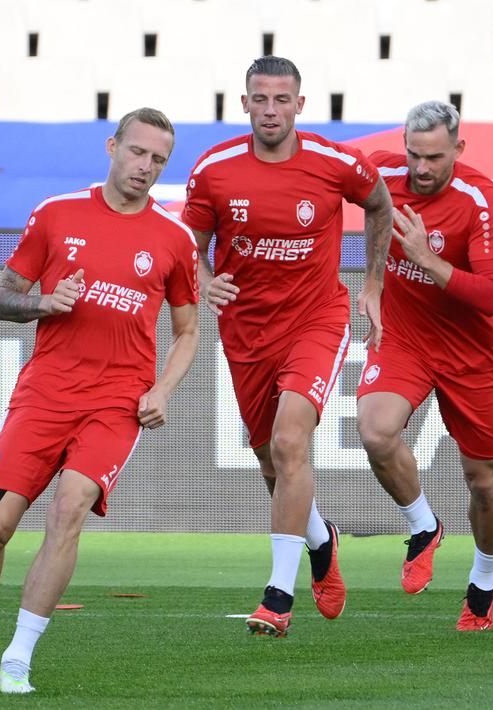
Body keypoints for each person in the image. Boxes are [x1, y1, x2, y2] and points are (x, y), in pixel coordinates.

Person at [0, 108, 200, 693]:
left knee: (70, 509)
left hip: (116, 402)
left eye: (157, 159)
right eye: (137, 152)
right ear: (112, 147)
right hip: (45, 393)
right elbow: (0, 298)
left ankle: (18, 656)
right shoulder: (57, 214)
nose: (145, 166)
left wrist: (162, 389)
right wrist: (45, 304)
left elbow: (188, 329)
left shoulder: (174, 238)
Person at [182, 56, 393, 637]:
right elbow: (188, 246)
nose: (270, 110)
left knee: (290, 440)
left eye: (281, 100)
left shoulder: (335, 161)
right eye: (260, 99)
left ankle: (277, 597)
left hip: (316, 321)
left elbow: (379, 202)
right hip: (246, 333)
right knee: (273, 463)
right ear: (244, 103)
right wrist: (200, 278)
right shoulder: (215, 169)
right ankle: (321, 541)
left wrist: (372, 285)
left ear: (300, 105)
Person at [356, 101, 493, 631]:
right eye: (414, 155)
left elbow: (491, 295)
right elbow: (327, 186)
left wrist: (427, 260)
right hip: (405, 339)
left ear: (459, 149)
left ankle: (483, 585)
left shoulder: (480, 199)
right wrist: (373, 280)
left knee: (484, 481)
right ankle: (424, 527)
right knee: (376, 433)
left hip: (471, 354)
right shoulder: (382, 171)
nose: (421, 169)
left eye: (435, 158)